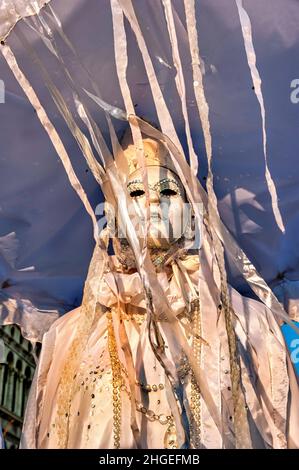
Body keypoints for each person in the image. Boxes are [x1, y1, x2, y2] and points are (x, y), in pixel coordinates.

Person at [20, 131, 299, 449]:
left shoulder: (249, 323)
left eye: (168, 190)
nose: (153, 200)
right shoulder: (69, 335)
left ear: (192, 218)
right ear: (111, 221)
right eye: (136, 192)